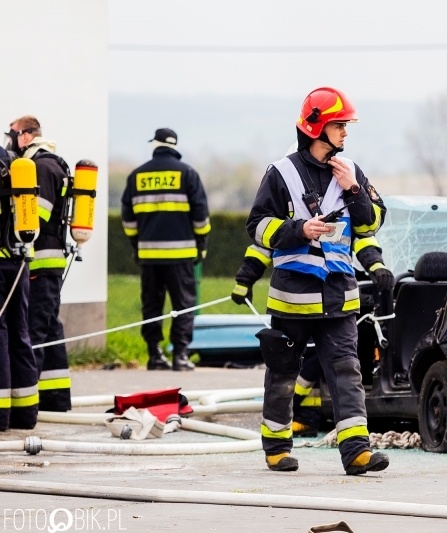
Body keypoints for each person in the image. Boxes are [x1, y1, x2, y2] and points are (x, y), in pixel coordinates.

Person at [243, 86, 389, 475]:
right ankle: (277, 447)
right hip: (292, 296)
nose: (345, 132)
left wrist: (354, 190)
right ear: (316, 128)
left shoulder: (351, 171)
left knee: (346, 372)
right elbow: (257, 226)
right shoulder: (281, 173)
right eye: (339, 125)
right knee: (283, 373)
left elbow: (371, 223)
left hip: (339, 295)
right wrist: (298, 229)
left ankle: (357, 451)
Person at [231, 236, 395, 437]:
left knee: (333, 361)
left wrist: (376, 265)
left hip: (336, 296)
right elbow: (266, 242)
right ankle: (298, 418)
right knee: (297, 361)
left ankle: (309, 419)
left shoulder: (347, 214)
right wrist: (244, 280)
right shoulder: (289, 215)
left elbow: (362, 237)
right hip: (296, 301)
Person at [120, 128, 211, 371]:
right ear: (174, 146)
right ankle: (180, 355)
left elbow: (128, 220)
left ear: (155, 144)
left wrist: (136, 245)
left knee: (152, 305)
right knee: (184, 305)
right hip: (181, 255)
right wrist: (201, 244)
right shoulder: (187, 173)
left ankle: (154, 355)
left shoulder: (137, 175)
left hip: (149, 256)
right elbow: (201, 216)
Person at [8, 116, 71, 412]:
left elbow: (36, 219)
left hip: (40, 263)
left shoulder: (41, 167)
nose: (10, 141)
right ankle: (55, 398)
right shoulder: (48, 163)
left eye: (12, 135)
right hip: (48, 263)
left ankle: (27, 403)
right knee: (49, 329)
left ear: (25, 136)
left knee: (32, 330)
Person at [0, 144, 39, 430]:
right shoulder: (14, 163)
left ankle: (1, 415)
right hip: (19, 262)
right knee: (20, 333)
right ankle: (25, 414)